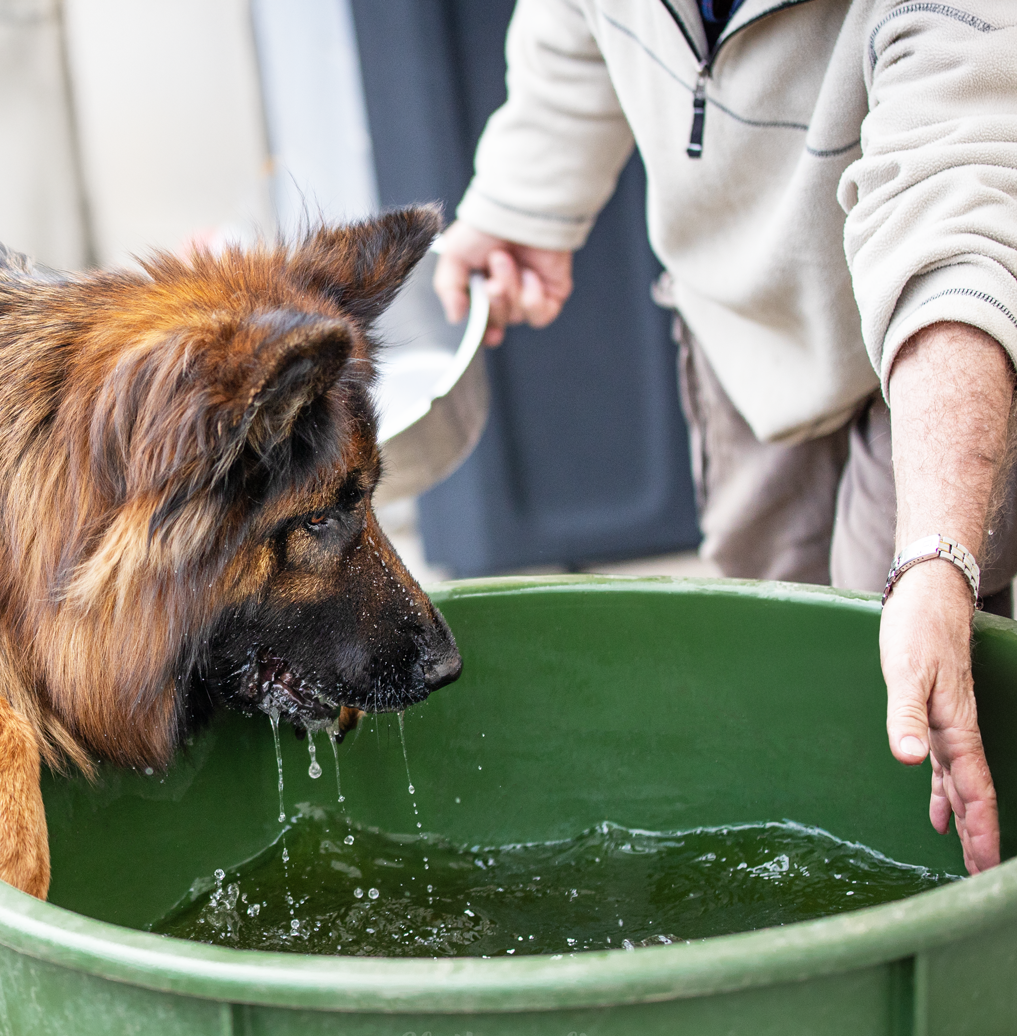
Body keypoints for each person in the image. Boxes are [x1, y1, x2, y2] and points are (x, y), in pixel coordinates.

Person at [433, 0, 1017, 874]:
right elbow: (579, 23)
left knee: (890, 671)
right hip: (743, 326)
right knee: (765, 632)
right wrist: (524, 198)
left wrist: (937, 559)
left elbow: (961, 217)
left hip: (940, 330)